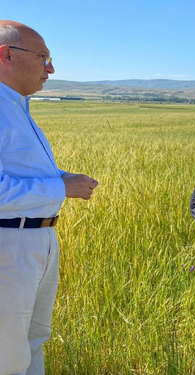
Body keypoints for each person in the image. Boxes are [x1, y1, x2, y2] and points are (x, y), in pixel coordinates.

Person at [0, 21, 99, 375]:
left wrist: (63, 177)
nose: (51, 68)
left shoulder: (17, 106)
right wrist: (62, 189)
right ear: (5, 55)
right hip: (9, 245)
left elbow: (21, 171)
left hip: (36, 239)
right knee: (7, 351)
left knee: (34, 338)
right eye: (43, 57)